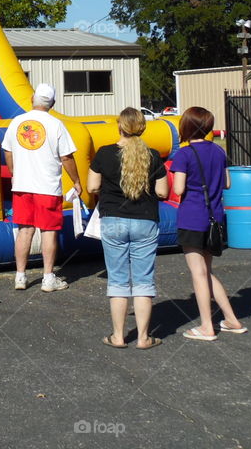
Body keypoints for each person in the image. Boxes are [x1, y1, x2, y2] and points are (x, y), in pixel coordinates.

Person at [88, 108, 169, 349]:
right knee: (144, 280)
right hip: (145, 220)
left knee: (118, 280)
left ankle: (118, 336)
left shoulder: (104, 154)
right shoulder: (153, 156)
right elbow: (163, 192)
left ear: (119, 126)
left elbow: (92, 187)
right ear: (142, 128)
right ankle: (144, 338)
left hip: (113, 220)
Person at [170, 106, 247, 341]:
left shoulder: (184, 154)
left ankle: (206, 327)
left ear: (186, 127)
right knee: (207, 271)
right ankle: (231, 319)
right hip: (215, 217)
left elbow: (179, 189)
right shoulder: (218, 151)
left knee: (198, 273)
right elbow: (227, 183)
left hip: (192, 218)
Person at [1, 83, 82, 292]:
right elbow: (66, 157)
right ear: (52, 103)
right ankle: (48, 277)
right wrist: (76, 181)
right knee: (48, 231)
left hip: (22, 184)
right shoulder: (56, 124)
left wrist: (13, 173)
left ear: (32, 99)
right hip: (47, 186)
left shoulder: (17, 122)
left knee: (24, 230)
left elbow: (8, 151)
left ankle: (20, 276)